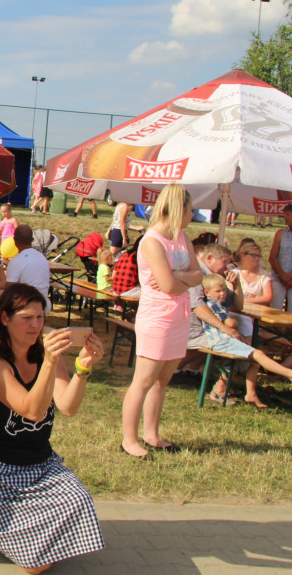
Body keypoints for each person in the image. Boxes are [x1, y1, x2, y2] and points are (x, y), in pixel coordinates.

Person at [0, 283, 106, 573]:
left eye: (40, 317)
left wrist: (83, 369)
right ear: (5, 319)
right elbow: (32, 411)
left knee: (79, 500)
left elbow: (68, 407)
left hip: (40, 464)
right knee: (36, 566)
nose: (36, 325)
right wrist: (49, 361)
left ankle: (9, 518)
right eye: (27, 317)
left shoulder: (48, 357)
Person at [120, 184, 199, 459]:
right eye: (191, 210)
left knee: (162, 381)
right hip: (157, 318)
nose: (192, 215)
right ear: (180, 209)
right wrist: (181, 279)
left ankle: (151, 434)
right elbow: (167, 285)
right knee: (143, 380)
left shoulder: (182, 238)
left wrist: (180, 279)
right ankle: (129, 439)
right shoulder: (152, 242)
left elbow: (198, 275)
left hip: (179, 317)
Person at [198, 273, 292, 407]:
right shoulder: (214, 304)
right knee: (258, 354)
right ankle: (290, 374)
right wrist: (234, 322)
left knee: (254, 362)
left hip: (226, 340)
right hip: (220, 341)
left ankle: (250, 394)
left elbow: (238, 305)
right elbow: (229, 323)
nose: (223, 293)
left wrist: (237, 286)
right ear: (207, 292)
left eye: (224, 290)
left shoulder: (218, 302)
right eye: (218, 291)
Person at [5, 225, 50, 309]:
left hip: (25, 304)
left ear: (14, 240)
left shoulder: (17, 260)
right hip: (44, 303)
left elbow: (9, 290)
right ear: (32, 240)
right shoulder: (42, 258)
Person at [235, 241, 272, 306]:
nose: (257, 258)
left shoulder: (264, 275)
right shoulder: (234, 273)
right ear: (243, 256)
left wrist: (243, 301)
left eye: (258, 256)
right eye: (253, 255)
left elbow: (268, 298)